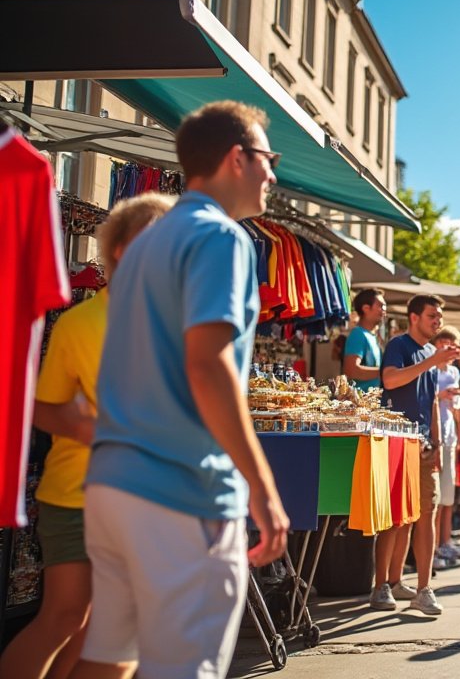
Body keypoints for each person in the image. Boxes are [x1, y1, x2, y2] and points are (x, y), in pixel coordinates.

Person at [69, 101, 289, 679]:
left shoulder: (145, 244)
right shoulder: (221, 237)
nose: (273, 173)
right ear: (237, 158)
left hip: (114, 482)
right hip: (181, 487)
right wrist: (263, 490)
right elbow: (208, 367)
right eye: (268, 158)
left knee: (109, 659)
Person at [0, 194, 173, 679]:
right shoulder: (81, 323)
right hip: (78, 495)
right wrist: (84, 427)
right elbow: (40, 407)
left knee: (102, 627)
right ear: (121, 250)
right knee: (66, 618)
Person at [368, 294, 459, 616]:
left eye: (440, 316)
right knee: (395, 519)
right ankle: (382, 585)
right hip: (396, 441)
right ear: (414, 317)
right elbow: (390, 380)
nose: (438, 321)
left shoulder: (431, 353)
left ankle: (422, 588)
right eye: (433, 315)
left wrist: (437, 443)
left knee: (424, 515)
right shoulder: (399, 345)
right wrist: (431, 362)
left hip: (423, 445)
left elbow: (432, 401)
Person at [433, 327, 460, 570]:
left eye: (453, 344)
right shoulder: (428, 368)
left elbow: (457, 408)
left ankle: (445, 541)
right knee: (435, 498)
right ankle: (433, 547)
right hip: (433, 437)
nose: (449, 348)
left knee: (448, 496)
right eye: (445, 343)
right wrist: (440, 395)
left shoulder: (455, 372)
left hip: (449, 437)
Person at [344, 288, 385, 392]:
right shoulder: (358, 334)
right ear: (366, 308)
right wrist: (386, 372)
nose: (384, 310)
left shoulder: (372, 336)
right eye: (381, 306)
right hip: (359, 400)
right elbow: (352, 371)